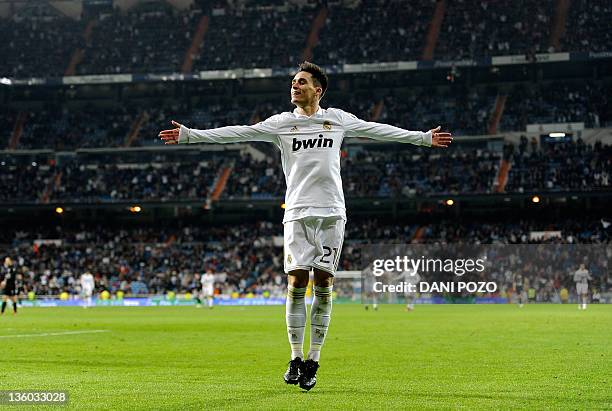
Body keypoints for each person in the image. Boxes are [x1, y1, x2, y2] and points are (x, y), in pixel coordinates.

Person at [159, 61, 452, 391]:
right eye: (293, 82)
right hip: (297, 213)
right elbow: (238, 131)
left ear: (318, 89)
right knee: (297, 283)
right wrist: (190, 136)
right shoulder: (281, 124)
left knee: (324, 285)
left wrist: (422, 139)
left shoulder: (337, 119)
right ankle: (296, 357)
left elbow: (377, 129)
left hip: (331, 213)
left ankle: (314, 358)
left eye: (301, 82)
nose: (294, 86)